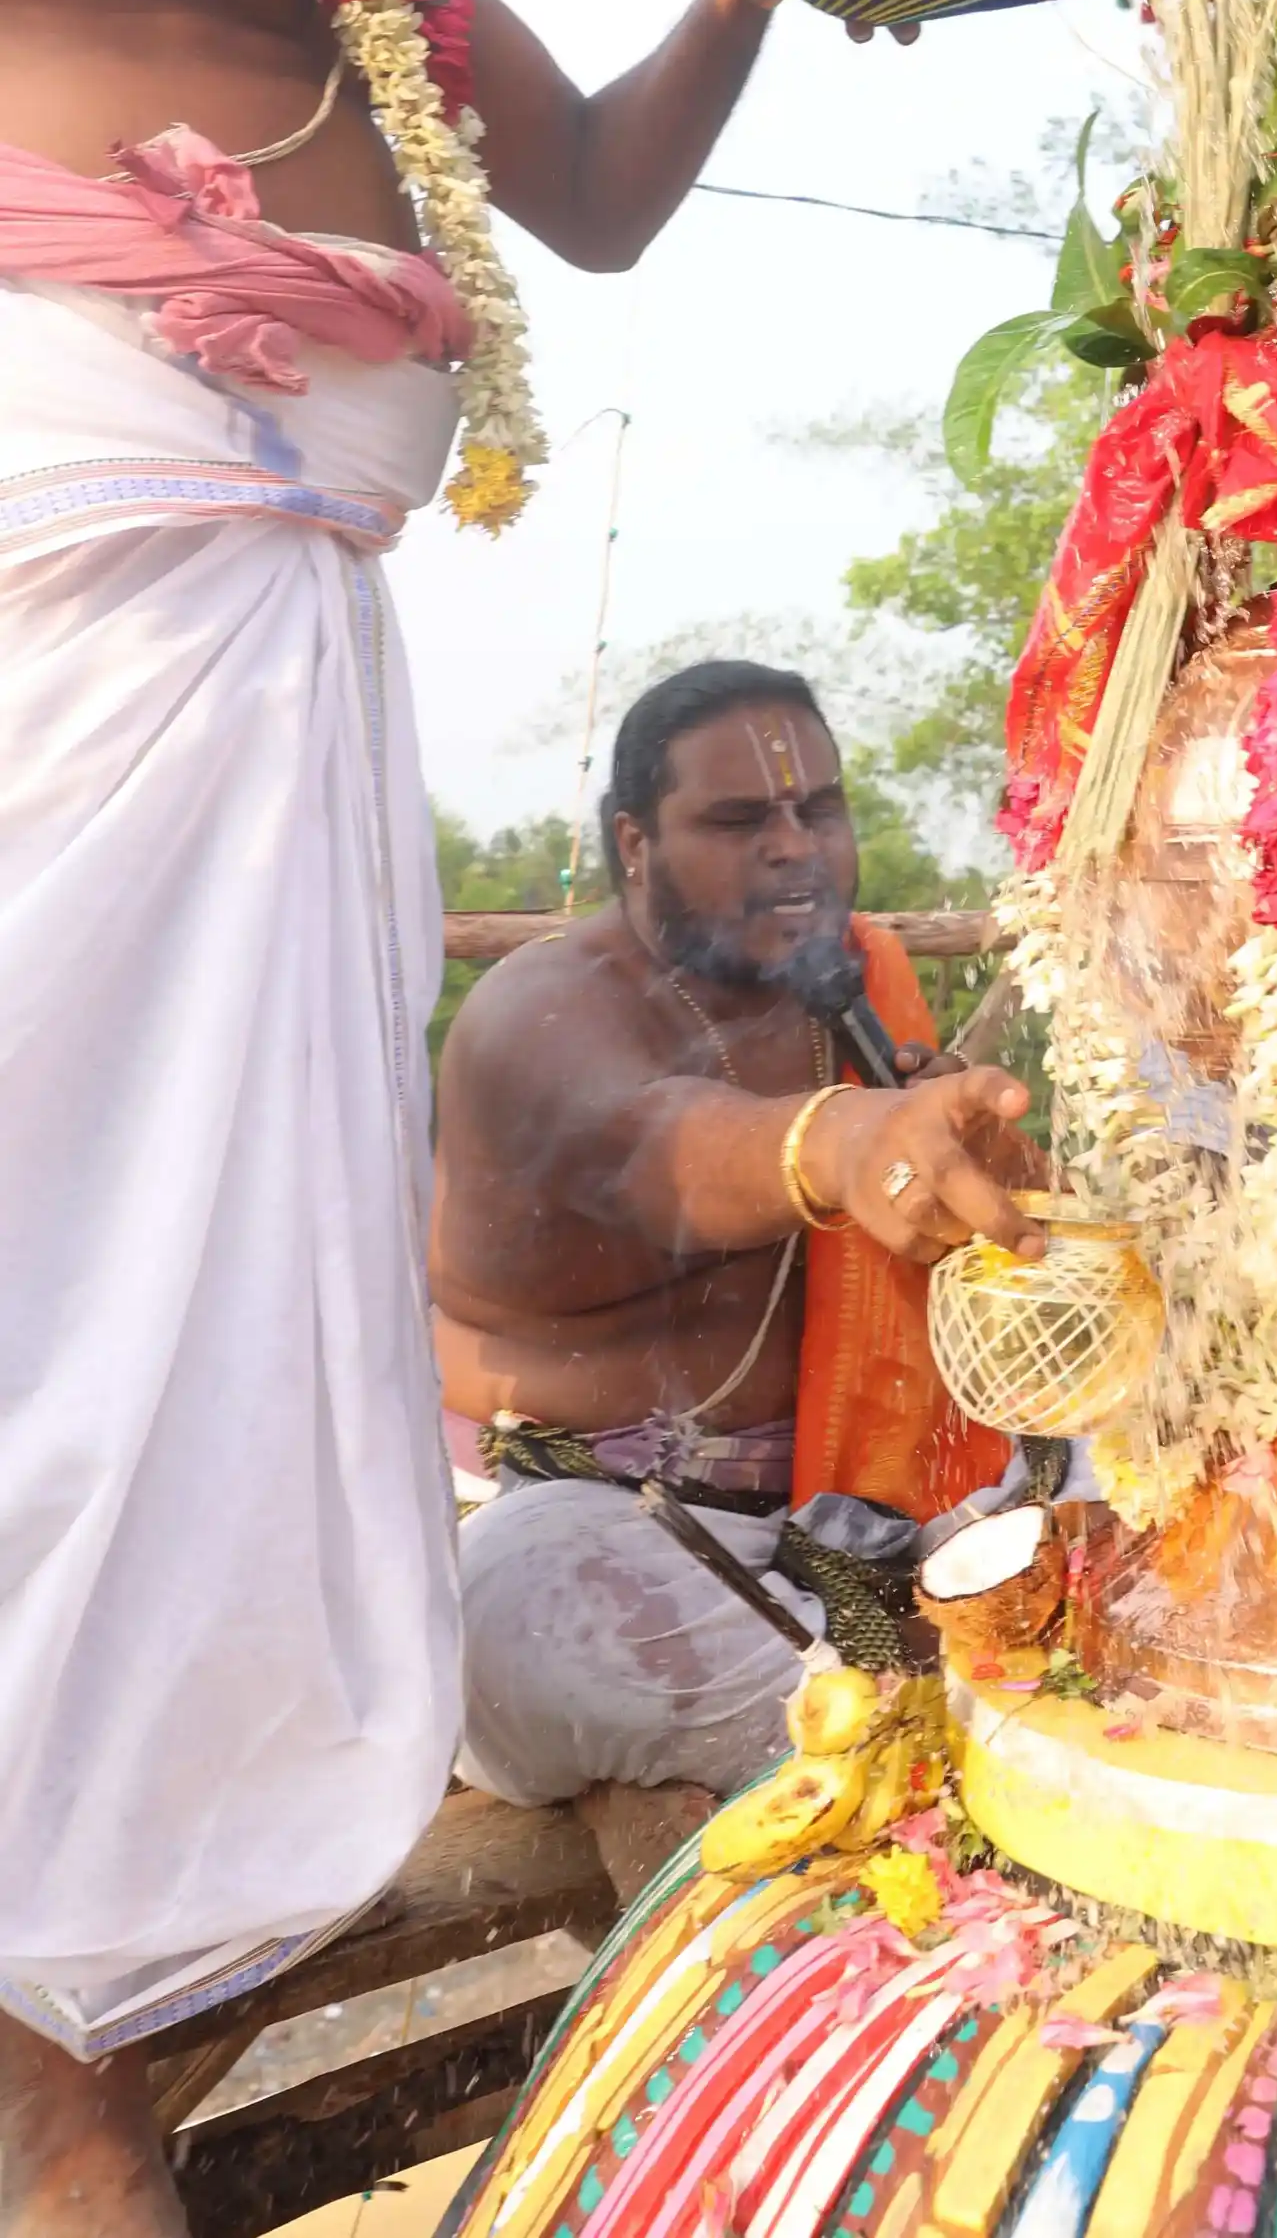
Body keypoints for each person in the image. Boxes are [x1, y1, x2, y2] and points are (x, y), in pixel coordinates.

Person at [0, 0, 1230, 2233]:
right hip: (77, 644)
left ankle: (75, 2030)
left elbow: (601, 194)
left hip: (268, 700)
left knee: (178, 1416)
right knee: (54, 1345)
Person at [433, 660, 1028, 1849]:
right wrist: (840, 1140)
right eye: (738, 819)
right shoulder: (540, 1018)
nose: (792, 847)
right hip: (584, 1521)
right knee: (569, 1629)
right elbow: (643, 1143)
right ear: (635, 843)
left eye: (818, 807)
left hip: (851, 1522)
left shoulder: (848, 991)